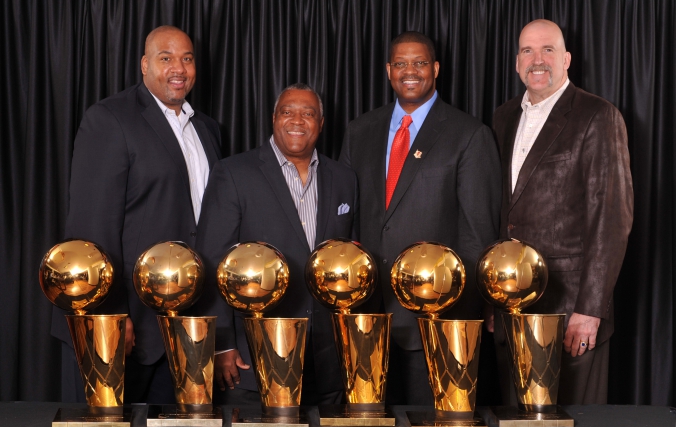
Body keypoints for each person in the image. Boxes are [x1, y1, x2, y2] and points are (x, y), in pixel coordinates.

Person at [51, 25, 222, 404]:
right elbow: (90, 228)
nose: (179, 68)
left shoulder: (207, 130)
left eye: (187, 59)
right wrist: (110, 315)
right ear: (145, 65)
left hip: (185, 328)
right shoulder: (110, 119)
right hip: (124, 326)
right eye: (166, 58)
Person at [339, 31, 502, 406]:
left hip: (435, 323)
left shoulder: (469, 134)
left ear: (436, 69)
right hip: (367, 319)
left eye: (420, 63)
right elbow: (347, 222)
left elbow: (479, 236)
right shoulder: (360, 131)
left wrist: (460, 320)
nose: (410, 71)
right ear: (388, 71)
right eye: (400, 63)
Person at [491, 19, 633, 404]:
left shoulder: (597, 116)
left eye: (548, 50)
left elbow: (611, 220)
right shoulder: (502, 119)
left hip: (570, 311)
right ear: (516, 63)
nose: (537, 60)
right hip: (511, 308)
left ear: (566, 58)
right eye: (527, 51)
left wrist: (590, 309)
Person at [190, 83, 358, 406]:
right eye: (287, 112)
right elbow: (212, 262)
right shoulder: (234, 173)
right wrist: (222, 344)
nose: (297, 120)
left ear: (321, 123)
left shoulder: (345, 179)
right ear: (273, 119)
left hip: (328, 364)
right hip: (254, 360)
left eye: (308, 113)